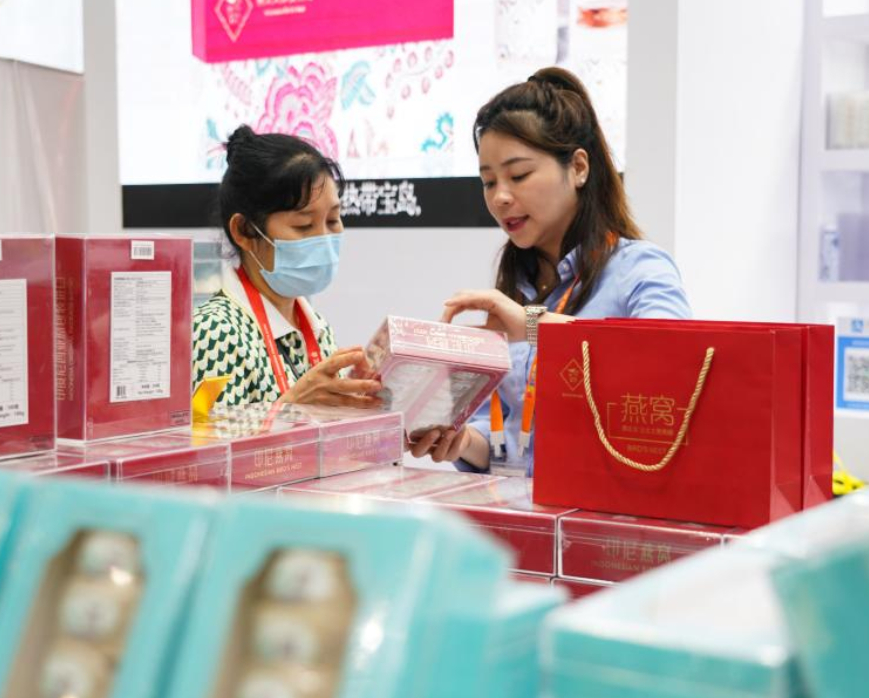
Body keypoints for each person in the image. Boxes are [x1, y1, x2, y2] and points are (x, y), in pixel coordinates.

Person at [410, 67, 692, 474]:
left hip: (607, 512)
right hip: (523, 518)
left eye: (519, 175)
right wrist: (461, 442)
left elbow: (672, 362)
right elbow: (511, 440)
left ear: (578, 167)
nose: (501, 197)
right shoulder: (519, 284)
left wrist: (532, 325)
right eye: (488, 182)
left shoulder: (640, 269)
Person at [192, 126, 382, 408]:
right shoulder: (214, 331)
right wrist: (289, 408)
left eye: (333, 220)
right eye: (303, 226)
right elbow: (206, 444)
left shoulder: (316, 327)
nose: (324, 239)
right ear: (244, 231)